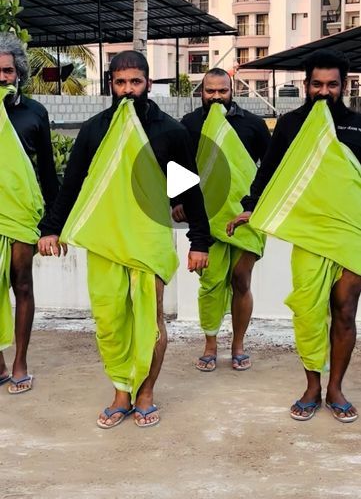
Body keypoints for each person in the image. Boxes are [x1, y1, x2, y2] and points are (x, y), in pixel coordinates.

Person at [38, 50, 210, 428]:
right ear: (110, 85)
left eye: (135, 82)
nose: (128, 90)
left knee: (150, 322)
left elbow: (189, 190)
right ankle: (120, 390)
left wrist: (200, 242)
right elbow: (72, 184)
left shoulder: (170, 131)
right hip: (105, 240)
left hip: (149, 238)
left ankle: (145, 392)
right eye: (120, 83)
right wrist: (51, 227)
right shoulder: (94, 129)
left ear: (148, 83)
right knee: (110, 321)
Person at [228, 48, 361, 423]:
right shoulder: (289, 125)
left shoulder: (358, 125)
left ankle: (335, 388)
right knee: (308, 310)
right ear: (305, 85)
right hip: (309, 234)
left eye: (332, 85)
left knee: (345, 310)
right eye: (317, 84)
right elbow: (269, 171)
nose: (324, 91)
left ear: (344, 85)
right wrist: (252, 205)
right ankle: (312, 386)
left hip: (353, 231)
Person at [173, 68, 270, 372]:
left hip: (246, 215)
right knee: (212, 282)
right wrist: (176, 200)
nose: (216, 97)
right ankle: (210, 344)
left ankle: (238, 344)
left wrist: (257, 207)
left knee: (241, 279)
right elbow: (177, 163)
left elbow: (268, 168)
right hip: (207, 215)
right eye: (209, 91)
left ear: (232, 91)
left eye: (222, 91)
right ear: (201, 92)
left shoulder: (253, 125)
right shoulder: (189, 124)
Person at [0, 33, 58, 394]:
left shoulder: (34, 112)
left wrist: (54, 223)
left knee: (22, 283)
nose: (1, 77)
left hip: (22, 212)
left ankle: (20, 360)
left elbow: (49, 172)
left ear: (18, 73)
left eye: (7, 70)